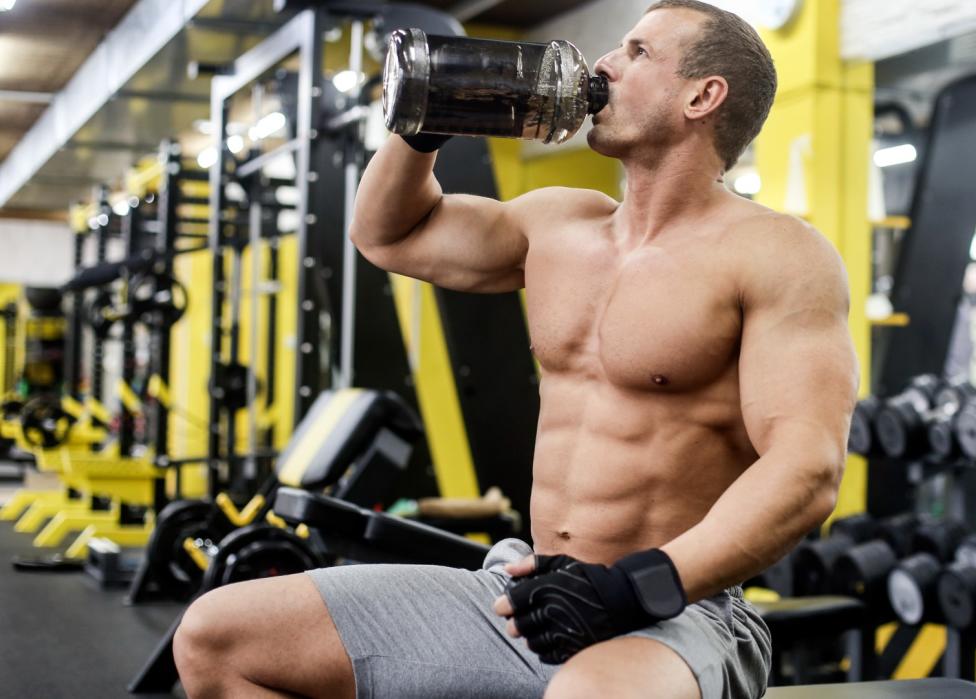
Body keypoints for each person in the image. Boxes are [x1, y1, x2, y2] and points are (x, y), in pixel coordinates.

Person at [172, 1, 858, 697]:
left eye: (638, 52)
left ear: (702, 96)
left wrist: (634, 587)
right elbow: (389, 235)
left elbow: (807, 467)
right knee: (216, 638)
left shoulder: (779, 254)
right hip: (526, 585)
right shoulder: (557, 223)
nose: (603, 66)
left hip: (677, 610)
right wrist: (426, 123)